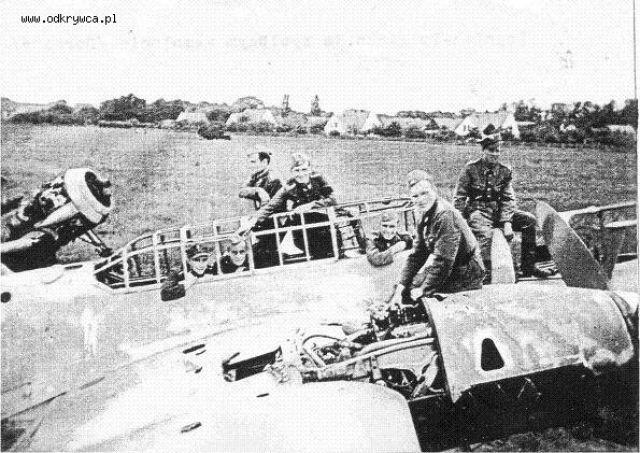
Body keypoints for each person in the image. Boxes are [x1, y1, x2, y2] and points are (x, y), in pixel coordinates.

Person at [453, 128, 553, 280]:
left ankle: (528, 267)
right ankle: (484, 272)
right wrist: (459, 220)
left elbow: (508, 199)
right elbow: (459, 197)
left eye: (497, 150)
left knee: (529, 221)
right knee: (485, 234)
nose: (495, 154)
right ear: (483, 150)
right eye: (491, 150)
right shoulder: (471, 169)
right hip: (478, 212)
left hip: (498, 212)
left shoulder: (504, 171)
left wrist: (507, 222)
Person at [388, 170, 485, 307]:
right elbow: (417, 255)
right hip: (448, 267)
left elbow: (444, 261)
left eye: (424, 193)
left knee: (432, 304)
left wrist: (423, 290)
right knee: (407, 289)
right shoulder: (423, 213)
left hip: (466, 272)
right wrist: (400, 288)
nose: (421, 200)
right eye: (415, 196)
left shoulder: (445, 215)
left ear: (434, 191)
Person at [238, 152, 338, 260]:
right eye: (297, 171)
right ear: (291, 172)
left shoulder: (319, 179)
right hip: (305, 232)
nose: (301, 174)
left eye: (304, 169)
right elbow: (271, 206)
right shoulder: (289, 186)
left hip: (326, 227)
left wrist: (311, 205)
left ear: (310, 169)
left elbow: (334, 199)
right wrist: (253, 220)